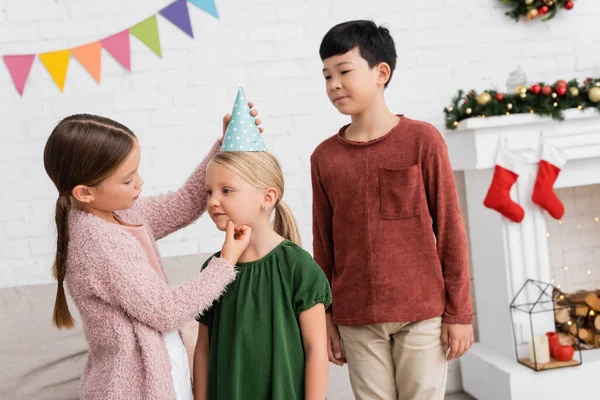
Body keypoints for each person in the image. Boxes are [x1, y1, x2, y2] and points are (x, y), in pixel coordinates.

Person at [43, 109, 260, 399]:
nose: (139, 183)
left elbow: (181, 205)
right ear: (85, 193)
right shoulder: (100, 246)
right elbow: (166, 312)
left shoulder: (117, 213)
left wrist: (223, 145)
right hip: (136, 387)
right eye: (127, 179)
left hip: (162, 370)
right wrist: (226, 263)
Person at [311, 20, 474, 399]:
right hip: (356, 318)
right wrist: (327, 317)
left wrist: (460, 313)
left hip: (422, 314)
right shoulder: (324, 157)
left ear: (381, 72)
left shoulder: (423, 141)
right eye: (326, 76)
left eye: (344, 71)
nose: (334, 84)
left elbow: (450, 230)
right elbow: (324, 245)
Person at [193, 148, 330, 400]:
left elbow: (316, 350)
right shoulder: (214, 270)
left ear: (267, 197)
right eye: (209, 192)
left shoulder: (297, 266)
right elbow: (203, 349)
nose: (213, 201)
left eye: (226, 190)